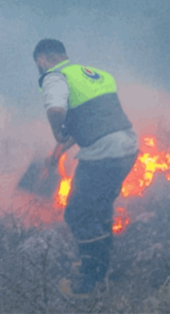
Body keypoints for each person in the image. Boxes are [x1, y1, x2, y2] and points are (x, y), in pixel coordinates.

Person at [33, 39, 138, 297]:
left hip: (103, 153)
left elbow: (56, 110)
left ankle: (90, 281)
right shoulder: (97, 75)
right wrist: (59, 151)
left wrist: (58, 132)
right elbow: (95, 121)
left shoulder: (54, 77)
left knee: (77, 214)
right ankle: (103, 270)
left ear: (42, 60)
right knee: (99, 208)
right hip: (127, 148)